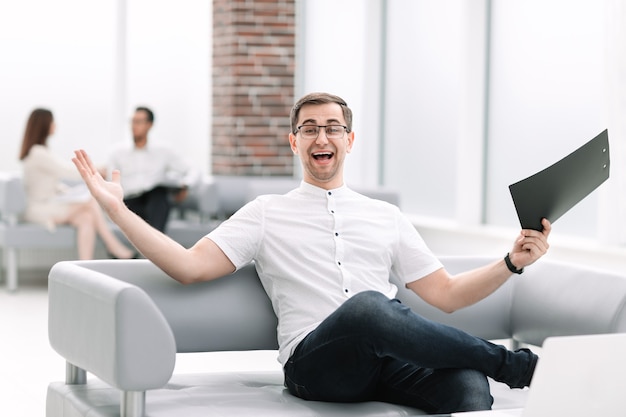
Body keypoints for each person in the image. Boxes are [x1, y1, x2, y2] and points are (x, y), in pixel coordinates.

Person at [72, 92, 551, 414]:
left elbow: (446, 294)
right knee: (366, 308)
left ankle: (496, 370)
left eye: (333, 128)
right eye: (309, 129)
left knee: (468, 386)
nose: (322, 138)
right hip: (316, 366)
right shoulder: (264, 212)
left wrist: (511, 263)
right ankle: (518, 367)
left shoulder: (385, 216)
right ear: (294, 141)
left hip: (386, 363)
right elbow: (189, 266)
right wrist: (118, 212)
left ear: (349, 139)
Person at [19, 108, 136, 260]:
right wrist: (96, 170)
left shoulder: (40, 151)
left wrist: (70, 192)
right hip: (39, 209)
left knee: (86, 217)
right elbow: (68, 171)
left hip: (49, 204)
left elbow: (49, 184)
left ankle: (84, 268)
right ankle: (113, 246)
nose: (55, 125)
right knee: (90, 201)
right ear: (44, 125)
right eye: (52, 122)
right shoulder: (38, 152)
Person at [107, 106, 199, 232]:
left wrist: (186, 185)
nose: (134, 126)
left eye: (139, 122)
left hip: (154, 200)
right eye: (132, 121)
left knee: (159, 193)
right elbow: (111, 183)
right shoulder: (117, 152)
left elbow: (192, 169)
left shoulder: (163, 150)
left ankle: (155, 244)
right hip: (129, 201)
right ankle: (156, 246)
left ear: (150, 125)